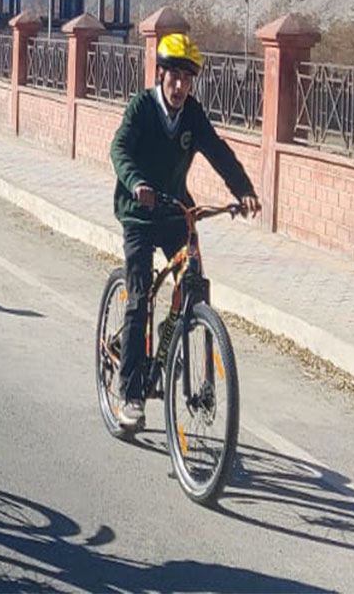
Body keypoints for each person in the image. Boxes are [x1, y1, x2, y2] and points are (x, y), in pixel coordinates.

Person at [109, 32, 260, 429]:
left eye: (187, 79)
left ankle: (179, 327)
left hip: (176, 211)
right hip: (138, 214)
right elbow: (119, 149)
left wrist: (243, 190)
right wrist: (136, 182)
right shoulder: (142, 107)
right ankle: (130, 394)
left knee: (194, 282)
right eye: (174, 76)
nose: (179, 86)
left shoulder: (192, 113)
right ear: (160, 74)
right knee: (139, 297)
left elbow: (218, 151)